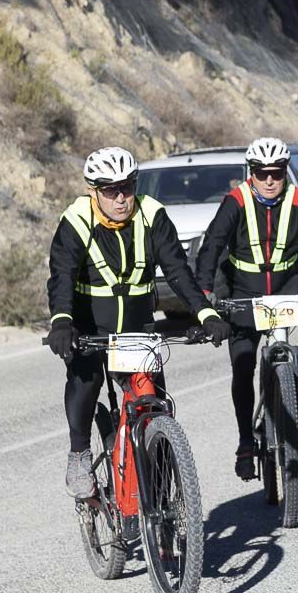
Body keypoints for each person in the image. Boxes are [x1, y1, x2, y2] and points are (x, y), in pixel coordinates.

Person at [46, 147, 230, 499]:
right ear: (92, 190)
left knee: (153, 402)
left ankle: (160, 505)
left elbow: (177, 269)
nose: (120, 198)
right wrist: (62, 323)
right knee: (85, 381)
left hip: (136, 326)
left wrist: (205, 313)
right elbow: (62, 276)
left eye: (127, 188)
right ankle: (79, 454)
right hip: (89, 325)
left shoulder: (152, 215)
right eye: (109, 190)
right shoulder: (76, 220)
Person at [195, 137, 298, 481]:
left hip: (287, 282)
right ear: (250, 173)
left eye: (277, 173)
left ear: (286, 172)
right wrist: (206, 290)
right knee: (242, 367)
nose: (270, 180)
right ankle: (244, 441)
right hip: (243, 290)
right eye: (262, 173)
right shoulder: (235, 201)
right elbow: (212, 245)